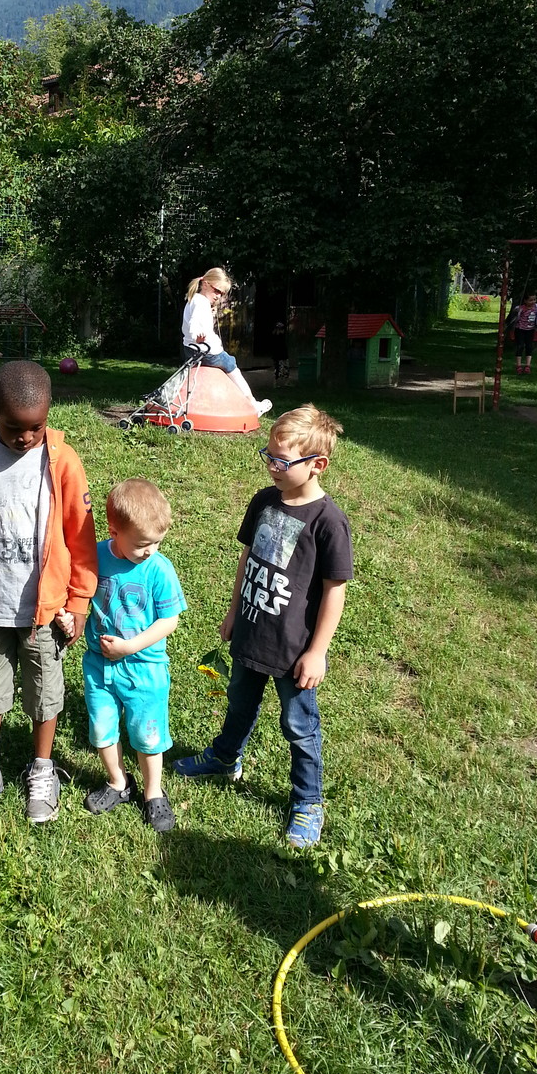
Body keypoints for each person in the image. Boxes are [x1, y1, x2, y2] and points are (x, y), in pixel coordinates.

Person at [173, 404, 353, 849]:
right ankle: (225, 756)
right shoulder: (264, 501)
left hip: (293, 649)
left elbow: (335, 591)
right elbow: (248, 558)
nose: (272, 466)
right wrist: (234, 610)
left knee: (299, 725)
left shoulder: (328, 522)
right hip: (252, 629)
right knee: (238, 702)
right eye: (268, 456)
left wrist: (317, 652)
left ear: (317, 466)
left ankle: (308, 802)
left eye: (282, 461)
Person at [0, 360, 98, 824]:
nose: (26, 437)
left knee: (45, 694)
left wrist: (79, 601)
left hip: (44, 612)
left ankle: (43, 768)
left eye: (37, 426)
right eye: (14, 427)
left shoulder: (63, 463)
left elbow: (81, 538)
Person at [73, 479, 186, 833]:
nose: (151, 549)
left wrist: (130, 646)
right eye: (141, 543)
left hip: (144, 669)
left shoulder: (159, 569)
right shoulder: (96, 556)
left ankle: (154, 792)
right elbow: (79, 594)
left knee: (147, 734)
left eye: (156, 542)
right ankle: (118, 783)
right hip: (99, 666)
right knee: (102, 728)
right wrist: (68, 613)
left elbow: (170, 620)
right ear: (114, 531)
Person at [181, 268, 272, 417]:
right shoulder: (201, 302)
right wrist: (197, 336)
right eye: (216, 291)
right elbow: (194, 324)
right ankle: (253, 403)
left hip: (190, 351)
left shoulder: (194, 299)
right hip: (208, 352)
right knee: (232, 367)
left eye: (222, 293)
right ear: (205, 284)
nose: (218, 296)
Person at [509, 292, 537, 375]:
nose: (533, 302)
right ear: (525, 301)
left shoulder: (536, 308)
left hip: (531, 330)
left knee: (529, 346)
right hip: (520, 330)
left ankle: (527, 366)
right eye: (530, 300)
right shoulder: (521, 308)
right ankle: (519, 365)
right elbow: (515, 312)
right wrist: (517, 311)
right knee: (520, 346)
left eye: (534, 300)